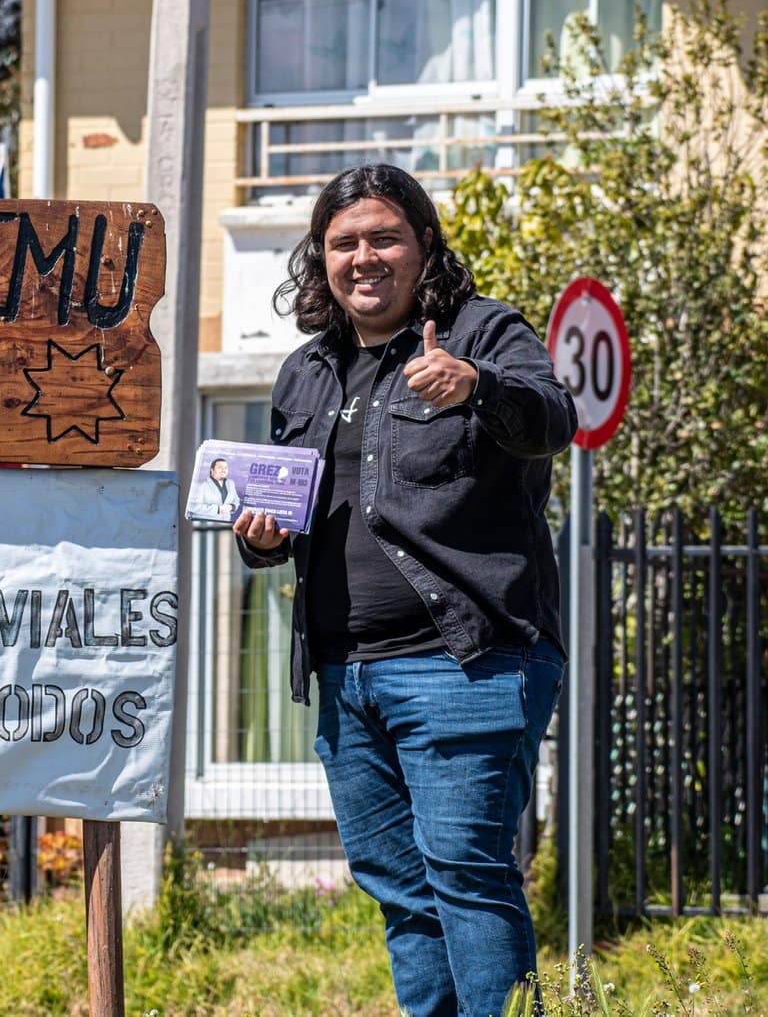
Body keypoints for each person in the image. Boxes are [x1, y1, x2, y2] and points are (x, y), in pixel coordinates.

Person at [233, 164, 576, 1017]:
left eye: (384, 236)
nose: (364, 257)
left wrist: (479, 386)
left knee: (466, 873)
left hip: (467, 664)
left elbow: (554, 417)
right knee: (398, 887)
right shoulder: (305, 372)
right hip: (345, 677)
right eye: (343, 243)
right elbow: (293, 509)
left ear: (424, 244)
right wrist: (262, 538)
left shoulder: (481, 331)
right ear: (321, 258)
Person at [186, 456, 240, 521]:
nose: (223, 470)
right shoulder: (201, 485)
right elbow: (192, 506)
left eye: (225, 468)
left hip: (225, 524)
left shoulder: (231, 483)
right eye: (220, 467)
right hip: (206, 525)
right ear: (212, 470)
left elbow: (236, 500)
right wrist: (217, 509)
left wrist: (232, 507)